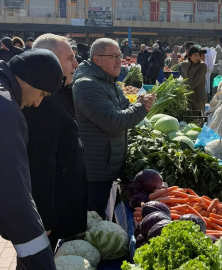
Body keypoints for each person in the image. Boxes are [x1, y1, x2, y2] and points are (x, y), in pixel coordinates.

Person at [73, 38, 156, 217]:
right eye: (113, 56)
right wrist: (142, 107)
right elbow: (113, 121)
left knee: (105, 216)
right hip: (96, 168)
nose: (120, 60)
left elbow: (126, 107)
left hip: (109, 164)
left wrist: (138, 104)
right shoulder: (87, 85)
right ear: (97, 59)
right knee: (93, 219)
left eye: (119, 55)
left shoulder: (109, 82)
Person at [0, 49, 64, 270]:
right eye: (42, 94)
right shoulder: (5, 113)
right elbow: (14, 200)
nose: (37, 103)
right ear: (30, 80)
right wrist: (43, 263)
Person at [23, 34, 87, 252]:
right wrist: (45, 217)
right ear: (50, 60)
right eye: (70, 58)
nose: (76, 64)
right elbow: (40, 161)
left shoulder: (60, 92)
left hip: (62, 202)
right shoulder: (41, 99)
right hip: (50, 209)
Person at [180, 46, 208, 112]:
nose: (198, 57)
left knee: (199, 119)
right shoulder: (184, 65)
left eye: (198, 55)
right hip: (188, 98)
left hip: (199, 98)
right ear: (190, 56)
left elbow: (196, 82)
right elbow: (184, 79)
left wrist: (181, 89)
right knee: (189, 119)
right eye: (195, 55)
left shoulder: (202, 66)